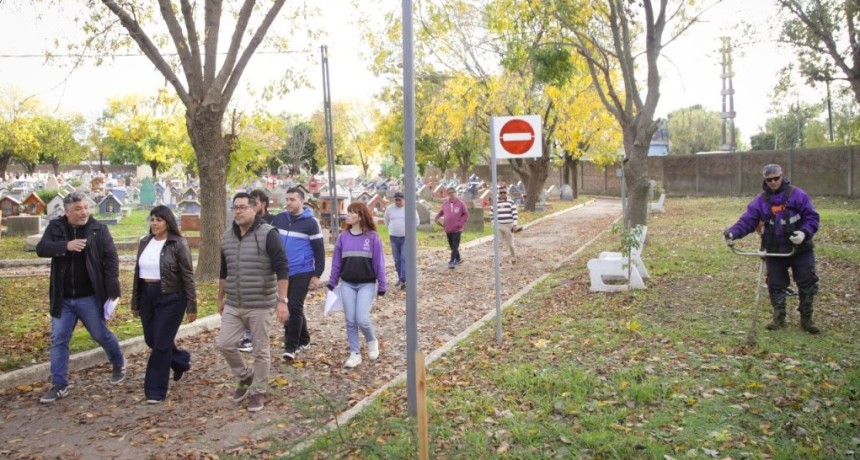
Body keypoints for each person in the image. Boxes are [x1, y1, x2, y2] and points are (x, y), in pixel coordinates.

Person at [35, 192, 126, 403]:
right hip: (63, 298)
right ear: (67, 211)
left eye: (86, 207)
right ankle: (59, 384)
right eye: (78, 208)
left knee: (100, 335)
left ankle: (118, 361)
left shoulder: (98, 229)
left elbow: (111, 258)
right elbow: (41, 248)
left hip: (89, 297)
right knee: (59, 339)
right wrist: (65, 246)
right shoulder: (56, 227)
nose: (84, 212)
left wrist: (112, 289)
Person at [724, 164, 822, 334]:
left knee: (807, 282)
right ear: (765, 180)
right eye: (769, 180)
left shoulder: (797, 195)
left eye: (776, 178)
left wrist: (804, 233)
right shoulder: (760, 201)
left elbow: (812, 217)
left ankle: (807, 318)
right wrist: (733, 233)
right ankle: (779, 317)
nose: (773, 182)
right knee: (776, 284)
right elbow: (747, 221)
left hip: (800, 248)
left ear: (782, 176)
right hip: (774, 249)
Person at [216, 192, 290, 412]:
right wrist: (220, 297)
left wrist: (282, 301)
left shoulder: (268, 234)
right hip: (234, 302)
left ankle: (258, 391)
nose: (238, 211)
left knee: (260, 350)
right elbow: (224, 270)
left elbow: (282, 268)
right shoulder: (227, 237)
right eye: (235, 207)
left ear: (254, 209)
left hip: (260, 303)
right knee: (225, 344)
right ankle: (245, 376)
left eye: (243, 207)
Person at [130, 206, 197, 404]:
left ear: (168, 222)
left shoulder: (178, 243)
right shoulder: (145, 242)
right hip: (147, 296)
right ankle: (180, 361)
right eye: (152, 219)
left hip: (171, 298)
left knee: (160, 344)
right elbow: (137, 274)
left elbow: (188, 276)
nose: (154, 223)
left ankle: (155, 390)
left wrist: (192, 306)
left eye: (159, 220)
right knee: (152, 339)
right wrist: (135, 301)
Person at [327, 202, 387, 369]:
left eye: (352, 212)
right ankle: (355, 353)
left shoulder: (373, 237)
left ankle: (371, 340)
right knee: (350, 320)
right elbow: (336, 262)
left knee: (362, 318)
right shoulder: (343, 238)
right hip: (347, 284)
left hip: (366, 284)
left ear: (360, 216)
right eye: (348, 212)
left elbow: (379, 263)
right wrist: (332, 281)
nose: (348, 215)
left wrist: (382, 284)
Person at [272, 187, 325, 361]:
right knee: (294, 307)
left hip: (302, 271)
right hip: (282, 272)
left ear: (302, 201)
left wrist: (317, 274)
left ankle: (291, 346)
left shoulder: (311, 223)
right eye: (287, 199)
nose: (288, 203)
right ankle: (304, 339)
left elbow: (319, 250)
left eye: (292, 199)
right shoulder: (279, 219)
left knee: (293, 306)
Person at [235, 189, 275, 354]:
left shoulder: (271, 224)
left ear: (263, 204)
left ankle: (255, 340)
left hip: (264, 279)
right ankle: (248, 337)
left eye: (255, 203)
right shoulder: (238, 228)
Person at [384, 191, 417, 289]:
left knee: (404, 257)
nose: (398, 202)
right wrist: (392, 229)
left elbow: (416, 221)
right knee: (397, 259)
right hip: (393, 237)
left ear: (404, 200)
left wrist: (410, 231)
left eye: (399, 200)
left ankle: (403, 279)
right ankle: (400, 278)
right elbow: (386, 221)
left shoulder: (409, 208)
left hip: (406, 237)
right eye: (396, 200)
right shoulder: (390, 209)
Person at [435, 186, 469, 269]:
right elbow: (441, 212)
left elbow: (465, 214)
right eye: (449, 193)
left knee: (455, 245)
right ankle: (458, 258)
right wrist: (437, 218)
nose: (451, 194)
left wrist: (460, 223)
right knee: (452, 245)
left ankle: (452, 261)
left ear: (455, 193)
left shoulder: (460, 203)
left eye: (452, 193)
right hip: (448, 228)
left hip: (457, 229)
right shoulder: (445, 203)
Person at [492, 186, 519, 264]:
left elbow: (514, 213)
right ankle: (498, 261)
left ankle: (513, 257)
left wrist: (515, 224)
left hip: (508, 225)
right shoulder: (495, 203)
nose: (503, 194)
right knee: (498, 244)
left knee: (510, 244)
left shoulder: (510, 202)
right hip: (499, 225)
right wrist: (494, 223)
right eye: (501, 192)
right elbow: (492, 214)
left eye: (504, 192)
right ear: (498, 193)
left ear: (506, 193)